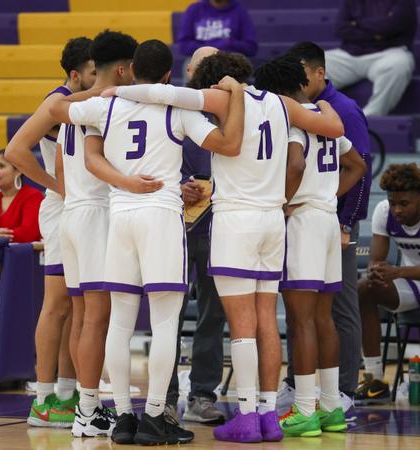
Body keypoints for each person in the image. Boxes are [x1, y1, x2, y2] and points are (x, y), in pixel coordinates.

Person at [109, 50, 344, 443]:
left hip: (237, 219)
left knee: (242, 327)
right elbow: (334, 128)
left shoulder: (221, 97)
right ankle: (269, 415)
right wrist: (320, 102)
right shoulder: (282, 103)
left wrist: (111, 90)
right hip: (273, 218)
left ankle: (248, 415)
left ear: (215, 81)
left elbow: (161, 95)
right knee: (267, 320)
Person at [53, 40, 246, 445]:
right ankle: (155, 416)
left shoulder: (104, 106)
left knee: (120, 325)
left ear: (129, 70)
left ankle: (123, 416)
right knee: (163, 324)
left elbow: (57, 110)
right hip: (160, 215)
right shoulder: (179, 108)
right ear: (167, 76)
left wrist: (109, 95)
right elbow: (229, 144)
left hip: (120, 216)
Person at [254, 55, 366, 437]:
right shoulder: (324, 117)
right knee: (323, 318)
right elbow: (358, 166)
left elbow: (297, 166)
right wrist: (327, 196)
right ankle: (332, 407)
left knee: (301, 320)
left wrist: (283, 202)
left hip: (302, 219)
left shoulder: (291, 119)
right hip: (327, 219)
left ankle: (305, 408)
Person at [5, 36, 97, 427]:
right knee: (58, 305)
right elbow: (14, 152)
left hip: (80, 207)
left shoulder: (81, 102)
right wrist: (54, 184)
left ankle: (64, 391)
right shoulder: (58, 100)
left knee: (75, 306)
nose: (100, 79)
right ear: (76, 75)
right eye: (94, 73)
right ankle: (43, 397)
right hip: (62, 209)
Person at [281, 41, 372, 419]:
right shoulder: (317, 112)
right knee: (318, 314)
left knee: (338, 311)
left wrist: (346, 219)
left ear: (320, 73)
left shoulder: (342, 110)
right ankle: (316, 393)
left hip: (328, 222)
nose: (300, 82)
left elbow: (362, 168)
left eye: (305, 74)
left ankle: (344, 389)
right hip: (322, 214)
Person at [54, 30, 137, 438]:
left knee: (82, 318)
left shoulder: (71, 107)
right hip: (96, 214)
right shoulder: (107, 105)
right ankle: (87, 410)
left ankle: (87, 407)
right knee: (95, 319)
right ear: (122, 68)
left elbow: (58, 169)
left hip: (71, 213)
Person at [355, 163, 420, 411]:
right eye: (393, 203)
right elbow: (376, 261)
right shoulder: (383, 211)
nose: (397, 209)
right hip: (412, 286)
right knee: (364, 287)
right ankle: (375, 378)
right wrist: (375, 272)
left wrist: (398, 271)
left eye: (404, 203)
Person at [164, 45, 227, 426]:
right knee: (167, 312)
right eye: (200, 65)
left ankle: (202, 395)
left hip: (218, 222)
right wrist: (177, 185)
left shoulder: (230, 109)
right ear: (188, 69)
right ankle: (165, 396)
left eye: (212, 65)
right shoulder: (170, 107)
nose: (205, 71)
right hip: (173, 221)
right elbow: (146, 159)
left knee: (213, 314)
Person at [325, 0, 417, 116]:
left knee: (400, 64)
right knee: (308, 64)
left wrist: (357, 24)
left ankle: (368, 118)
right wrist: (377, 33)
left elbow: (391, 26)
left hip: (389, 52)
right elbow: (341, 28)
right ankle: (315, 116)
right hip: (350, 53)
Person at [176, 0, 258, 58]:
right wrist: (209, 48)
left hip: (229, 60)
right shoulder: (194, 9)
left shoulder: (240, 11)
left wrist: (229, 43)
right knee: (190, 64)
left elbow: (251, 47)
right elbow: (183, 46)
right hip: (202, 60)